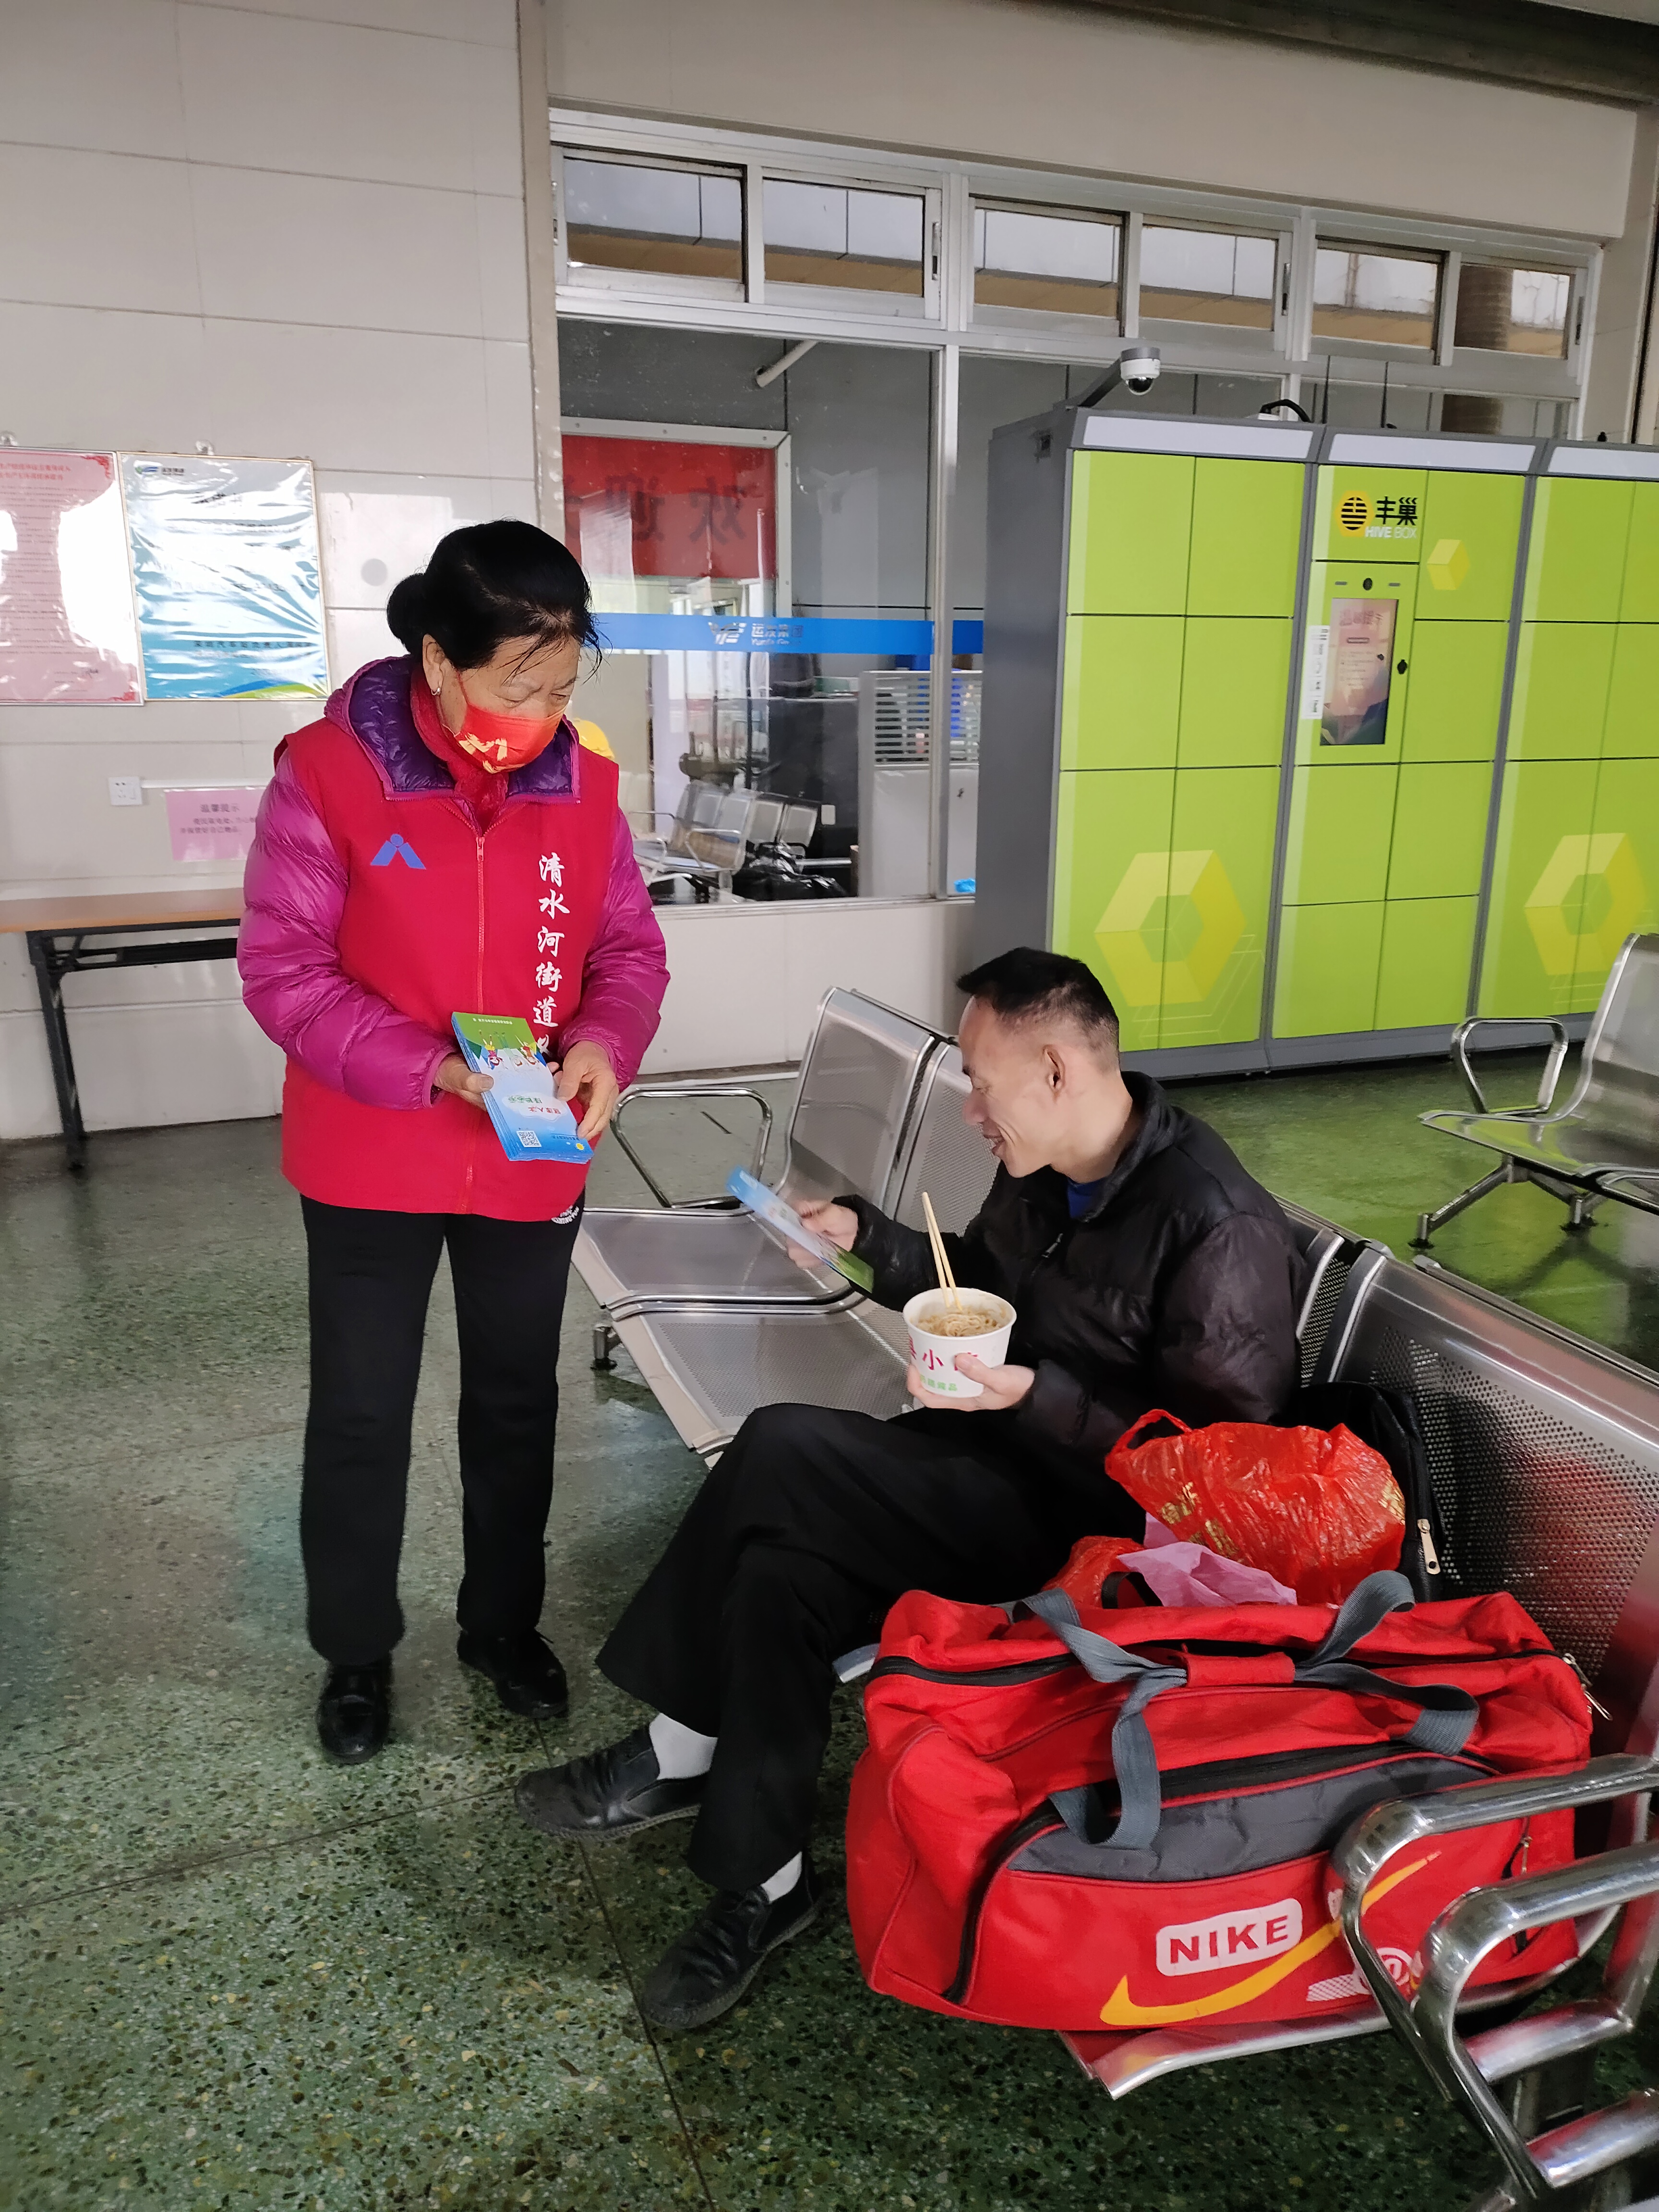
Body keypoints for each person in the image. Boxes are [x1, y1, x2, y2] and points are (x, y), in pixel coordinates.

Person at [516, 948, 1304, 2031]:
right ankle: (766, 1885)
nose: (971, 1108)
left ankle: (677, 1748)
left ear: (1059, 1070)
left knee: (781, 1447)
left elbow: (1223, 1470)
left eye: (982, 1080)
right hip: (978, 1463)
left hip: (1093, 1531)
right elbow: (975, 1280)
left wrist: (1037, 1396)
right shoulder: (1044, 1160)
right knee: (780, 1573)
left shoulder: (1215, 1223)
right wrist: (867, 1241)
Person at [240, 521, 669, 1765]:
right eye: (517, 686)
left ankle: (502, 1626)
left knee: (518, 1401)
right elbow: (283, 971)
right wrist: (431, 1067)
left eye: (562, 690)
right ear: (438, 660)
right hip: (372, 1146)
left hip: (528, 1150)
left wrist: (604, 1044)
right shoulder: (327, 772)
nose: (541, 717)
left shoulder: (585, 785)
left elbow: (627, 952)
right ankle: (356, 1650)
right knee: (362, 1410)